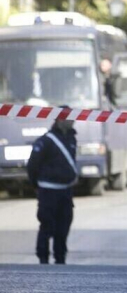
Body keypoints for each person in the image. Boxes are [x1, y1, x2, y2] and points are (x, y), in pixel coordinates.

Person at [26, 111, 78, 264]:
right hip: (48, 191)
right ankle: (43, 258)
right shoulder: (46, 141)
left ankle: (60, 258)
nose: (73, 121)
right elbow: (33, 165)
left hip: (66, 191)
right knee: (47, 224)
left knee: (64, 226)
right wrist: (36, 184)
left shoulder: (71, 138)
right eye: (70, 118)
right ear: (61, 119)